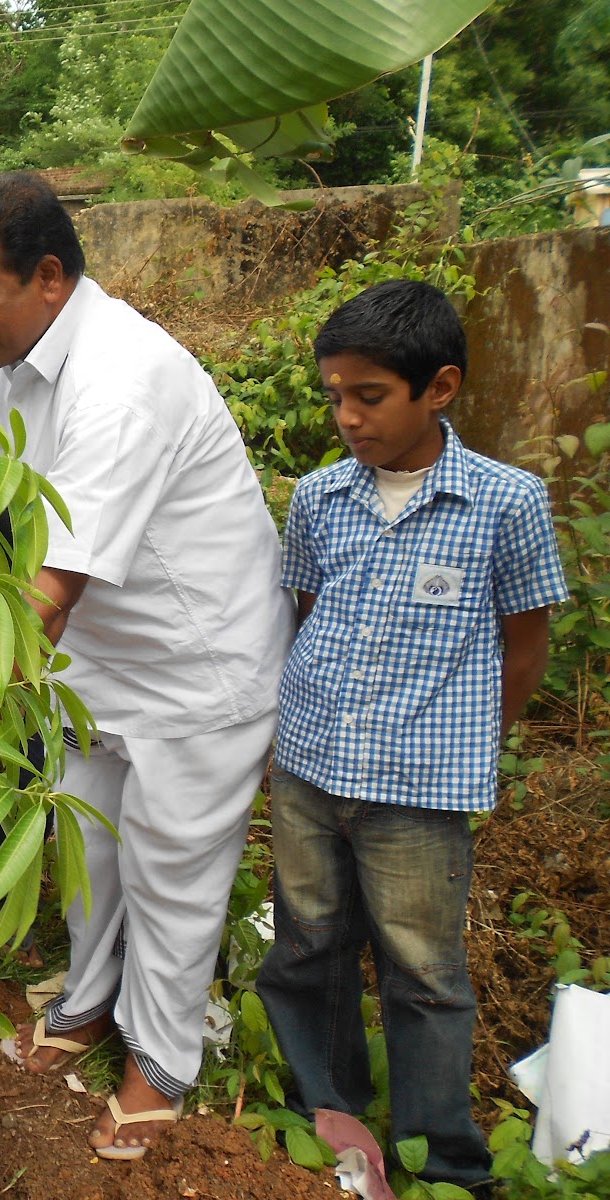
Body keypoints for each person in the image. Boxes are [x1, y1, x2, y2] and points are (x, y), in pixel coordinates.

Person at [0, 170, 294, 1159]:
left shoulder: (122, 379)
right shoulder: (16, 365)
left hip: (193, 667)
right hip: (96, 660)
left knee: (171, 872)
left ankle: (159, 1066)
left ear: (48, 276)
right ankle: (90, 1004)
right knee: (88, 852)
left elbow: (52, 586)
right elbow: (23, 528)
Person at [256, 280, 566, 1195]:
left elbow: (525, 644)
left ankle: (445, 1159)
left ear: (440, 387)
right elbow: (306, 614)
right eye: (335, 397)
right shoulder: (321, 497)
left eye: (369, 396)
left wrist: (467, 741)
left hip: (420, 793)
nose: (348, 417)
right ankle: (329, 1107)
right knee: (308, 944)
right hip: (311, 767)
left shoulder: (504, 503)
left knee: (424, 972)